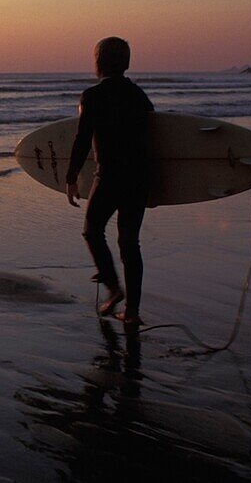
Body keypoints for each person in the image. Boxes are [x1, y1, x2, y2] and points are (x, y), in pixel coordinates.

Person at [65, 37, 153, 327]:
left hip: (110, 175)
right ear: (126, 64)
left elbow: (81, 140)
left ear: (98, 63)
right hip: (139, 177)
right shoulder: (140, 97)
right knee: (130, 243)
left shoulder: (92, 96)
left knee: (92, 231)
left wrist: (71, 177)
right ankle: (132, 312)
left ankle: (114, 288)